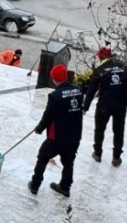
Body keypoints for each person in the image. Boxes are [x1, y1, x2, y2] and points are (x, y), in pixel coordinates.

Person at [28, 64, 85, 198]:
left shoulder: (55, 96)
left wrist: (39, 128)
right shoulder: (78, 90)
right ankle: (65, 187)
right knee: (68, 162)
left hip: (57, 137)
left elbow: (48, 116)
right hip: (74, 135)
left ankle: (35, 185)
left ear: (54, 79)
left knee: (43, 156)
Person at [84, 45, 127, 167]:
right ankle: (116, 157)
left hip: (105, 104)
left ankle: (98, 153)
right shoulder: (123, 67)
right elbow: (126, 86)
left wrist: (85, 107)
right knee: (119, 131)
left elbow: (91, 91)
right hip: (120, 104)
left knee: (100, 129)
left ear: (100, 57)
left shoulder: (100, 70)